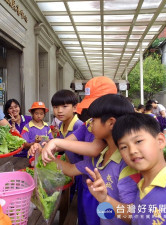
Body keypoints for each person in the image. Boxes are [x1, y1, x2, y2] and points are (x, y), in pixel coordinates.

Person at [29, 76, 118, 225]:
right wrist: (44, 147)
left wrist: (53, 144)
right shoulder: (89, 123)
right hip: (86, 184)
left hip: (104, 190)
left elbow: (94, 148)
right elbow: (65, 143)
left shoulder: (108, 135)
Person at [44, 94, 139, 225]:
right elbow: (71, 169)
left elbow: (133, 215)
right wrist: (43, 154)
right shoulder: (101, 157)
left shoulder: (126, 164)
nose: (90, 124)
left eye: (93, 120)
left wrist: (106, 199)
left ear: (111, 123)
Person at [87, 113, 166, 224]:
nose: (132, 151)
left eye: (138, 141)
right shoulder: (141, 186)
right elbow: (136, 217)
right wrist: (105, 199)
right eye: (124, 147)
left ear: (160, 141)